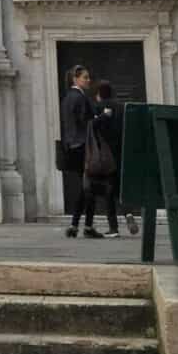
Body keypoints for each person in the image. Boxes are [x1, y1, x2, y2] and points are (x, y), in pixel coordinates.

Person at [60, 65, 102, 239]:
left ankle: (76, 224)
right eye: (85, 77)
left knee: (85, 186)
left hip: (71, 147)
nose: (88, 80)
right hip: (84, 147)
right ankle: (85, 226)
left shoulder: (67, 98)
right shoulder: (80, 98)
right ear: (75, 79)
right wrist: (101, 118)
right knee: (89, 187)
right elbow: (86, 121)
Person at [92, 82, 137, 237]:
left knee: (109, 191)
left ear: (99, 94)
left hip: (105, 155)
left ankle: (113, 228)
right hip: (122, 153)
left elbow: (92, 127)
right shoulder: (122, 108)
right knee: (120, 188)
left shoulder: (99, 107)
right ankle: (128, 213)